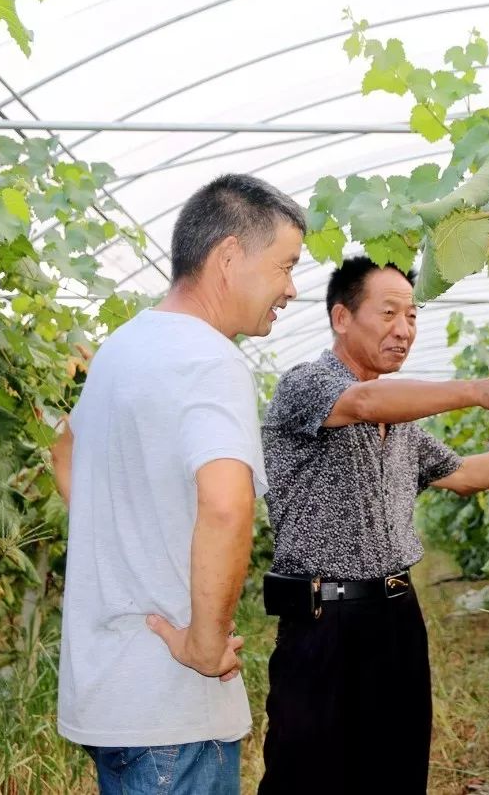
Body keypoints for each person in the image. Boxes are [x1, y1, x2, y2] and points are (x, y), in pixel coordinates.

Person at [258, 257, 489, 794]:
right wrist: (479, 390)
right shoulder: (307, 386)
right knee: (308, 777)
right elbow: (364, 402)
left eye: (412, 316)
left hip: (396, 616)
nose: (404, 330)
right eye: (388, 313)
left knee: (397, 770)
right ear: (341, 317)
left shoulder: (402, 425)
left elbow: (466, 475)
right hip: (322, 622)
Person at [50, 174, 304, 795]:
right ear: (228, 257)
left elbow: (63, 451)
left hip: (110, 695)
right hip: (172, 710)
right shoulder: (209, 358)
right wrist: (205, 646)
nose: (291, 289)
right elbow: (227, 504)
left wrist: (126, 543)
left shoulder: (121, 347)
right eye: (285, 266)